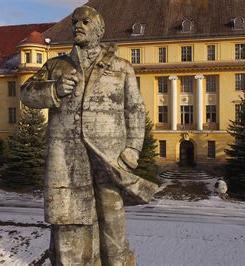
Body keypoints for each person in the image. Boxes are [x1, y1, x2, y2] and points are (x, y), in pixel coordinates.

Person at [20, 5, 158, 266]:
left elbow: (135, 109)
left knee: (112, 223)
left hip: (109, 157)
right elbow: (26, 93)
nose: (77, 26)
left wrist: (133, 149)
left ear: (100, 29)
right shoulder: (56, 65)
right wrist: (54, 90)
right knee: (69, 219)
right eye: (74, 22)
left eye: (85, 21)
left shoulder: (122, 67)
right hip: (67, 159)